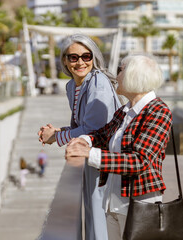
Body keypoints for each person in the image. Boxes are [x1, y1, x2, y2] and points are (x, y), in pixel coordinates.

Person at [65, 54, 172, 240]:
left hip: (139, 205)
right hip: (113, 203)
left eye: (120, 70)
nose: (115, 77)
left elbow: (139, 161)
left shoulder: (158, 111)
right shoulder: (125, 111)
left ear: (133, 75)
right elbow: (102, 135)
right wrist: (84, 141)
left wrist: (89, 154)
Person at [38, 33, 121, 240]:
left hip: (103, 161)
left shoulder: (98, 83)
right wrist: (56, 133)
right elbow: (81, 126)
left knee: (99, 221)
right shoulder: (72, 86)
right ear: (65, 60)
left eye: (86, 56)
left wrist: (57, 137)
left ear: (94, 57)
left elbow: (94, 128)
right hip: (90, 159)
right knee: (93, 219)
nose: (81, 62)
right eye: (73, 57)